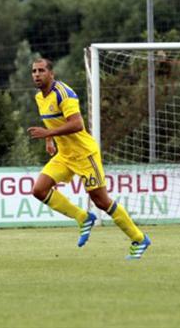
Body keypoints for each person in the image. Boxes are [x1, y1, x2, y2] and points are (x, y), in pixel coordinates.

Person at [27, 58, 151, 260]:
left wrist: (47, 133)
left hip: (84, 154)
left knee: (101, 201)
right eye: (34, 71)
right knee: (39, 190)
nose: (37, 74)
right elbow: (50, 121)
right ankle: (82, 217)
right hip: (65, 155)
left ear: (51, 74)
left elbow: (77, 124)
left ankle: (139, 239)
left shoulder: (64, 94)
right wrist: (49, 139)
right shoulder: (40, 97)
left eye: (41, 70)